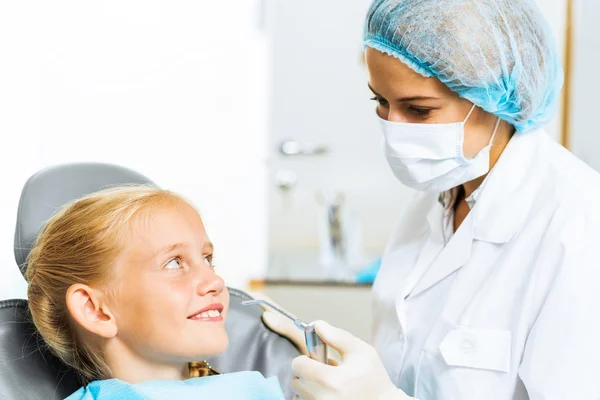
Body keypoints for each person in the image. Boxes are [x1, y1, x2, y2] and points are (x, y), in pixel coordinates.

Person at [262, 0, 600, 399]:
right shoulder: (434, 199)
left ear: (494, 96)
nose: (393, 128)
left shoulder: (578, 225)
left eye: (418, 110)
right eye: (381, 102)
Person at [25, 185, 285, 400]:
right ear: (94, 310)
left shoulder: (249, 389)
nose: (215, 281)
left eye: (207, 259)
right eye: (174, 263)